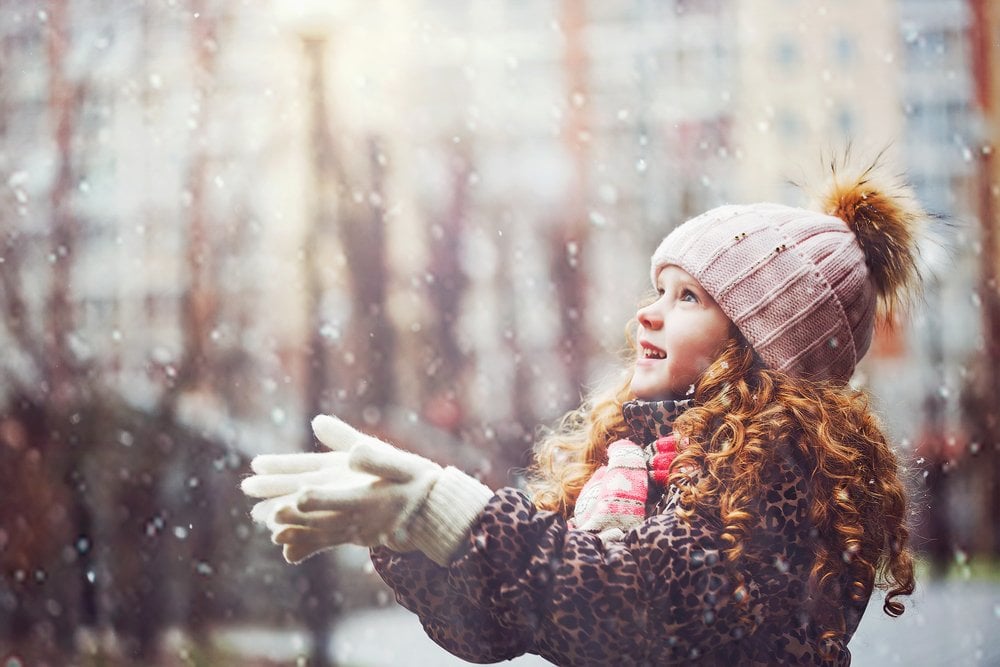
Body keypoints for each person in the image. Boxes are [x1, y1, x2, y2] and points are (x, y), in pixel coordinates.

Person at [241, 156, 922, 665]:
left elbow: (647, 601)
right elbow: (511, 618)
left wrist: (458, 511)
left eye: (689, 297)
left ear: (758, 340)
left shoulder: (786, 460)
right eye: (660, 287)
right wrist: (408, 532)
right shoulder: (640, 459)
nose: (647, 313)